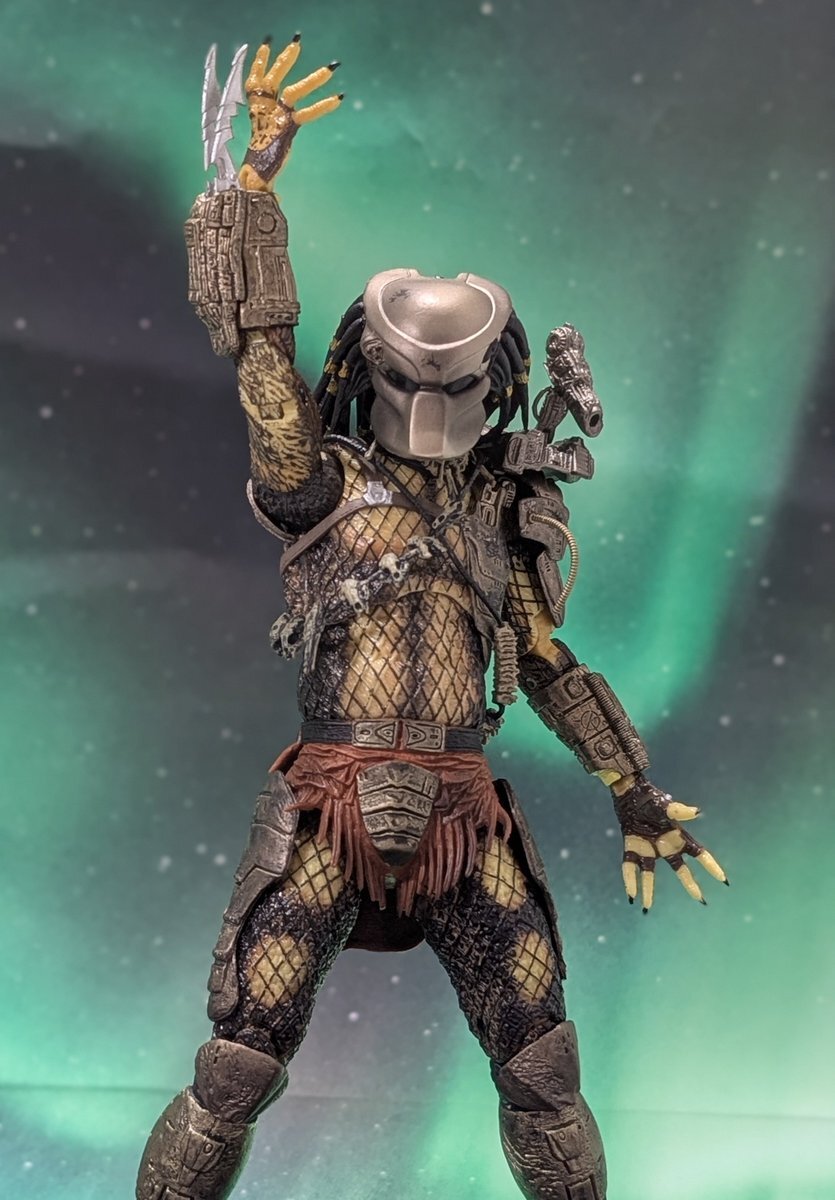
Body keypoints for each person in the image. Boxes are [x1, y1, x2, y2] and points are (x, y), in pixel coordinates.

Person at [136, 35, 727, 1200]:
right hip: (329, 806)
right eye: (409, 378)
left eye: (455, 384)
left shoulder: (503, 507)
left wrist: (632, 791)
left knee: (542, 1069)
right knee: (236, 1066)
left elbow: (545, 662)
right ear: (369, 367)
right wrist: (253, 192)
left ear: (494, 381)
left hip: (464, 816)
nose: (429, 401)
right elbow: (263, 370)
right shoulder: (323, 485)